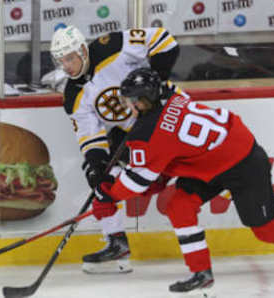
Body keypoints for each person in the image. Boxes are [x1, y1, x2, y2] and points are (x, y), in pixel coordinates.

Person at [92, 67, 274, 294]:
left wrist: (108, 194)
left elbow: (136, 183)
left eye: (130, 101)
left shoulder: (149, 133)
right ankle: (201, 273)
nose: (127, 106)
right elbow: (167, 145)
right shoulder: (171, 93)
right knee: (179, 205)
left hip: (242, 162)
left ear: (143, 101)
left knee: (265, 230)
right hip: (210, 159)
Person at [50, 25, 183, 274]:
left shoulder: (110, 46)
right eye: (61, 61)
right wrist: (97, 164)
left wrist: (153, 87)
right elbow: (91, 137)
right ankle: (116, 242)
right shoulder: (73, 95)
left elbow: (164, 40)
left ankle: (253, 192)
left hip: (170, 115)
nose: (66, 66)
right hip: (136, 133)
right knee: (98, 177)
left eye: (69, 58)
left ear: (82, 50)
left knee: (199, 165)